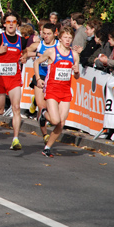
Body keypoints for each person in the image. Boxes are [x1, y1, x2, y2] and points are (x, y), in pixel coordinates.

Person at [34, 27, 80, 157]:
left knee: (62, 122)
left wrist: (76, 72)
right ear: (60, 38)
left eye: (70, 38)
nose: (68, 40)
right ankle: (43, 113)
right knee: (55, 121)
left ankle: (47, 147)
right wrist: (38, 79)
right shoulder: (51, 52)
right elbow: (37, 62)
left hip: (65, 91)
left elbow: (77, 76)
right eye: (65, 37)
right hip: (52, 89)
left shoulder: (74, 55)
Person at [0, 11, 27, 150]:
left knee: (16, 108)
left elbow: (27, 51)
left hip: (14, 78)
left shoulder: (21, 41)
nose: (11, 24)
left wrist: (25, 57)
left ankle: (15, 139)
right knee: (0, 109)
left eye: (14, 22)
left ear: (17, 24)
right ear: (4, 24)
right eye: (8, 21)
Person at [26, 22, 58, 142]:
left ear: (55, 34)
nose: (46, 36)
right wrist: (37, 54)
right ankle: (45, 135)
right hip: (40, 76)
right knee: (42, 106)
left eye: (49, 34)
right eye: (44, 33)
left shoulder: (59, 45)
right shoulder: (39, 44)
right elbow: (26, 51)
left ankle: (41, 111)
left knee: (50, 110)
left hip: (53, 79)